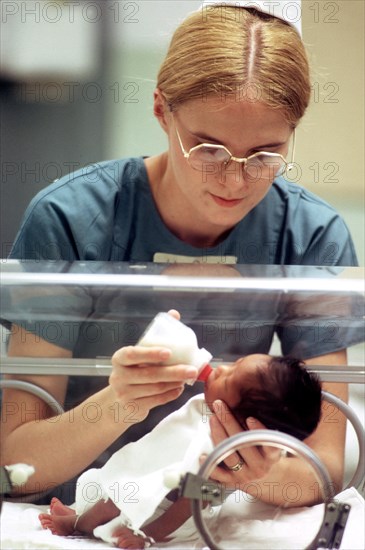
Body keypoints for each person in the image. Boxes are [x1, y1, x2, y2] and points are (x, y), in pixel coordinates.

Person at [1, 2, 361, 508]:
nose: (235, 181)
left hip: (206, 506)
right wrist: (118, 404)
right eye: (208, 149)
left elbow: (324, 464)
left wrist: (251, 472)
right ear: (160, 110)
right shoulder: (72, 219)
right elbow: (16, 467)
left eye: (265, 155)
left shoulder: (308, 236)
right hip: (67, 509)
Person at [38, 354, 322, 548]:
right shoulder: (206, 411)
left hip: (166, 513)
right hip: (150, 485)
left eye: (230, 379)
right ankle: (80, 513)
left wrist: (147, 535)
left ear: (244, 421)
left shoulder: (219, 456)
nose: (221, 369)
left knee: (114, 500)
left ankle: (77, 524)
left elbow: (190, 505)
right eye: (234, 364)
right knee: (113, 487)